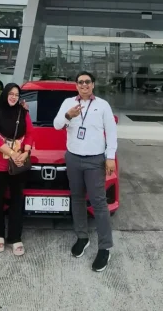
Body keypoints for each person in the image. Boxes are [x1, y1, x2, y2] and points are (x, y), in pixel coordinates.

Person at [53, 71, 117, 273]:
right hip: (73, 158)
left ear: (93, 85)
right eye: (80, 82)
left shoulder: (103, 105)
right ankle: (82, 237)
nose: (84, 85)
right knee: (77, 198)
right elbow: (56, 125)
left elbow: (112, 132)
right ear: (76, 86)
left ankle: (105, 247)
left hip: (95, 160)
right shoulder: (68, 103)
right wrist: (68, 116)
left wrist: (110, 156)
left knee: (99, 203)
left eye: (87, 82)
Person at [0, 83, 33, 256]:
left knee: (17, 199)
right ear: (5, 94)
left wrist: (26, 152)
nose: (14, 97)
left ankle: (15, 237)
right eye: (11, 94)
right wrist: (13, 154)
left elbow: (30, 133)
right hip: (0, 163)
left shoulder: (23, 112)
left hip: (19, 163)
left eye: (16, 94)